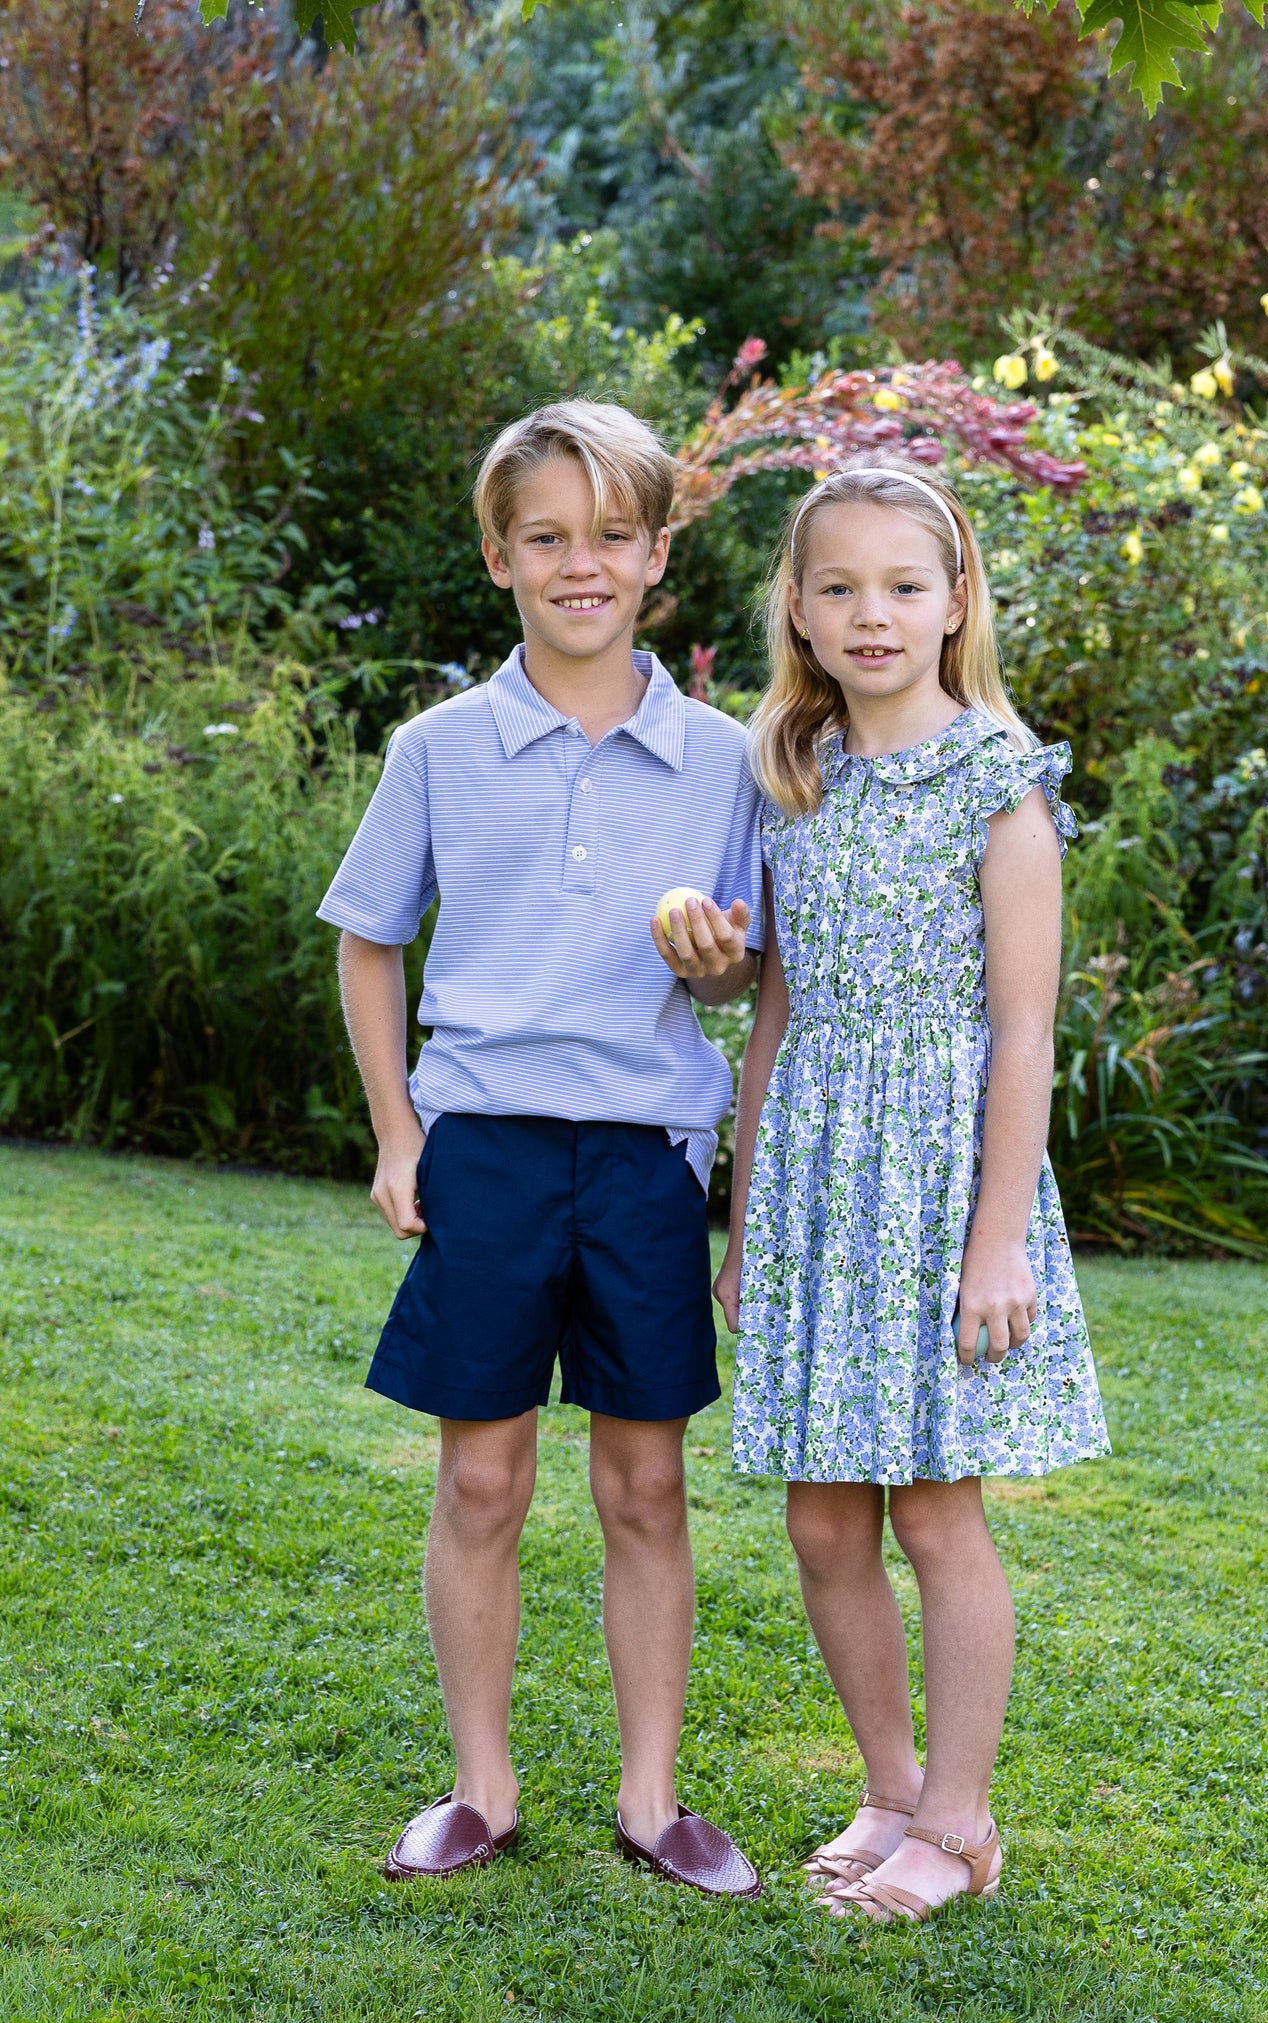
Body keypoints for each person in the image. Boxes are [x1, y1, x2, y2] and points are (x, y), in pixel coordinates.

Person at [318, 400, 763, 1898]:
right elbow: (370, 943)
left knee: (646, 1488)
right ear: (501, 556)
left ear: (657, 558)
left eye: (612, 537)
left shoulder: (725, 763)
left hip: (643, 1159)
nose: (583, 564)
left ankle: (651, 1799)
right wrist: (398, 1135)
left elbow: (742, 980)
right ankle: (481, 1788)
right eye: (548, 537)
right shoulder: (441, 747)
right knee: (483, 1484)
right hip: (487, 1152)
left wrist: (712, 966)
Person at [714, 455, 1110, 1925]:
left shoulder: (999, 787)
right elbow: (771, 1021)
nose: (870, 612)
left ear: (953, 605)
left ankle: (958, 1819)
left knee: (935, 1515)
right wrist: (748, 1230)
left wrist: (994, 1238)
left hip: (943, 1188)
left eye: (902, 584)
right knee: (824, 1522)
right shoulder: (791, 783)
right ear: (800, 614)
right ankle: (885, 1789)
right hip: (820, 1186)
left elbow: (1023, 1030)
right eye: (839, 587)